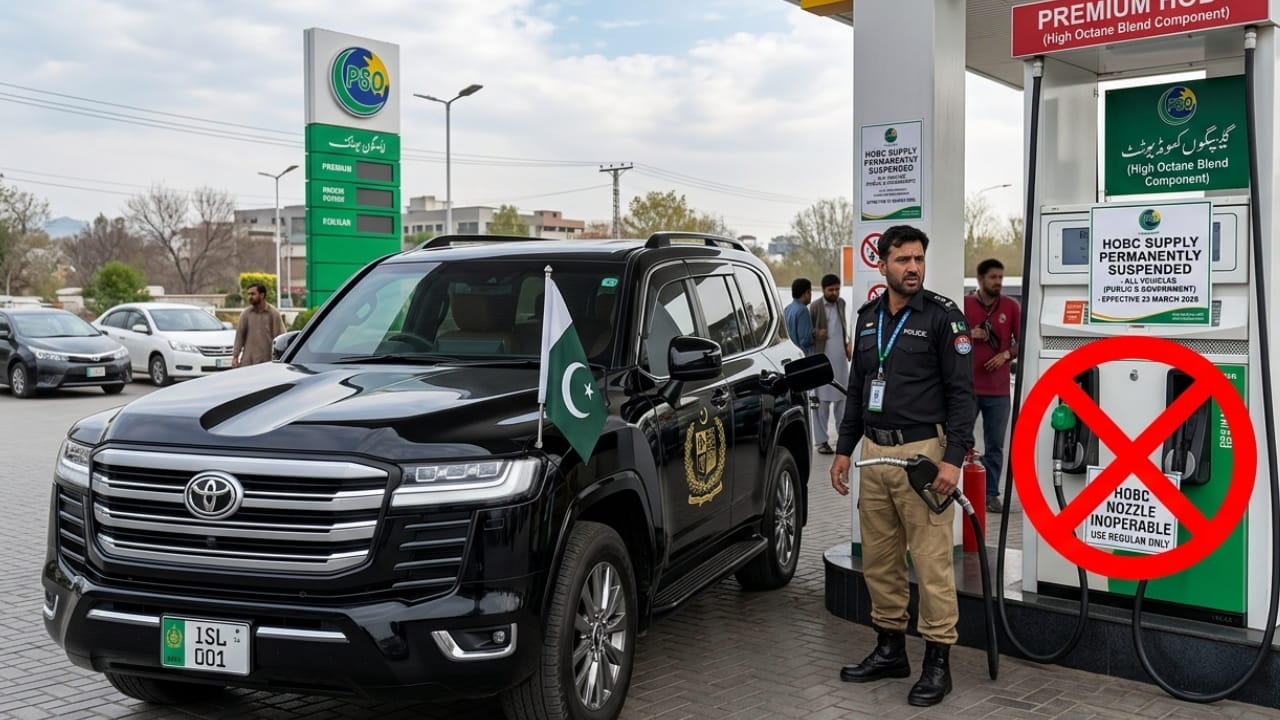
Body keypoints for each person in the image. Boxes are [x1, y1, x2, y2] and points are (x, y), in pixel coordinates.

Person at [828, 225, 976, 707]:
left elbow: (962, 396)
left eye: (918, 259)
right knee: (880, 560)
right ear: (883, 265)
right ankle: (891, 648)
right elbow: (856, 390)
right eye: (903, 260)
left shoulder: (942, 318)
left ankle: (938, 661)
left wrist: (952, 460)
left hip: (924, 457)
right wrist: (846, 449)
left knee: (931, 562)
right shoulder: (869, 317)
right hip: (874, 453)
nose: (913, 268)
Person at [964, 258, 1021, 514]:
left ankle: (990, 494)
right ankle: (961, 490)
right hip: (967, 388)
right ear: (980, 279)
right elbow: (947, 338)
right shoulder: (964, 305)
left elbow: (1023, 342)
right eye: (993, 277)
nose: (998, 282)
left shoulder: (1010, 306)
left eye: (1001, 277)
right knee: (961, 440)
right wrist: (967, 334)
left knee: (995, 444)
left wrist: (1006, 355)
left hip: (998, 392)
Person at [809, 274, 851, 454]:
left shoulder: (841, 303)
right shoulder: (815, 306)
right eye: (831, 290)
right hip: (822, 360)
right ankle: (822, 441)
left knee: (843, 398)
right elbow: (807, 333)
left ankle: (844, 437)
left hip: (840, 359)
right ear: (823, 289)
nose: (834, 293)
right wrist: (816, 333)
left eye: (837, 289)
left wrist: (847, 343)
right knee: (822, 402)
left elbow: (844, 326)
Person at [232, 281, 287, 368]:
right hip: (248, 362)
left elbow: (280, 337)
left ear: (262, 295)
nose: (250, 297)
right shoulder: (246, 314)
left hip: (268, 362)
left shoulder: (273, 313)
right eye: (249, 294)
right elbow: (239, 336)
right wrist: (235, 356)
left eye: (253, 294)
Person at [783, 277, 814, 355]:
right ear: (806, 293)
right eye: (810, 292)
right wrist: (816, 335)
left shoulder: (787, 309)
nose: (810, 295)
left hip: (792, 354)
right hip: (803, 356)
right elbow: (805, 340)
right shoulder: (803, 310)